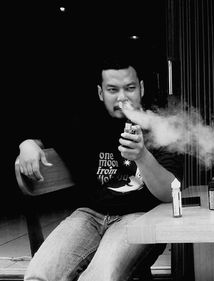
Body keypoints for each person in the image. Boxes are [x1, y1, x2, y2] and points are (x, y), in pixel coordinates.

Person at [17, 45, 184, 281]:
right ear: (100, 93)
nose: (122, 97)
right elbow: (42, 137)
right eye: (112, 90)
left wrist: (142, 156)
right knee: (38, 275)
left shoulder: (161, 127)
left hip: (139, 218)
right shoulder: (87, 125)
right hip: (90, 216)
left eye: (130, 88)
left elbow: (169, 193)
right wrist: (27, 144)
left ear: (142, 88)